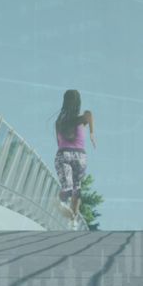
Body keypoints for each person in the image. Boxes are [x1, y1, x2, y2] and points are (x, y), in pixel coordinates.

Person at [53, 89, 95, 229]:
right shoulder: (81, 119)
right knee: (77, 189)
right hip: (80, 156)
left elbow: (58, 143)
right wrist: (91, 133)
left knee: (68, 187)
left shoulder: (58, 123)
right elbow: (89, 114)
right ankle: (73, 220)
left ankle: (60, 202)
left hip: (63, 153)